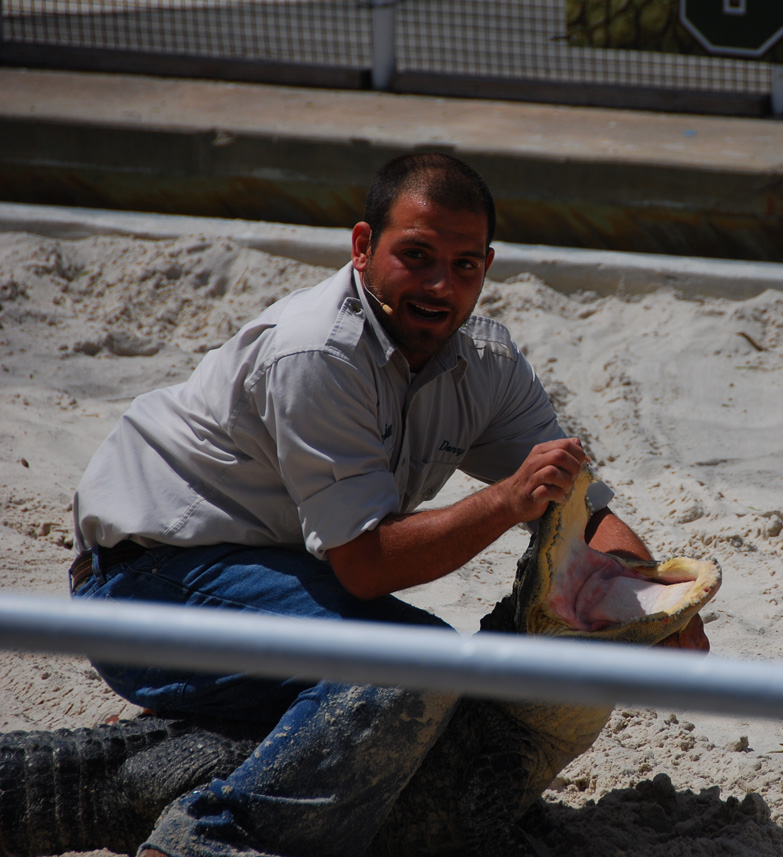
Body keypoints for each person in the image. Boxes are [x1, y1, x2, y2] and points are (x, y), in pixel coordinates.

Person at [69, 151, 706, 857]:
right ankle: (207, 841)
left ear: (487, 268)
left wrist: (638, 601)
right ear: (363, 246)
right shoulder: (318, 352)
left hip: (270, 577)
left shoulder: (486, 361)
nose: (442, 283)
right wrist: (506, 500)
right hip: (142, 586)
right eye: (417, 255)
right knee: (416, 660)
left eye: (466, 265)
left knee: (411, 688)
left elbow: (583, 511)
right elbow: (366, 567)